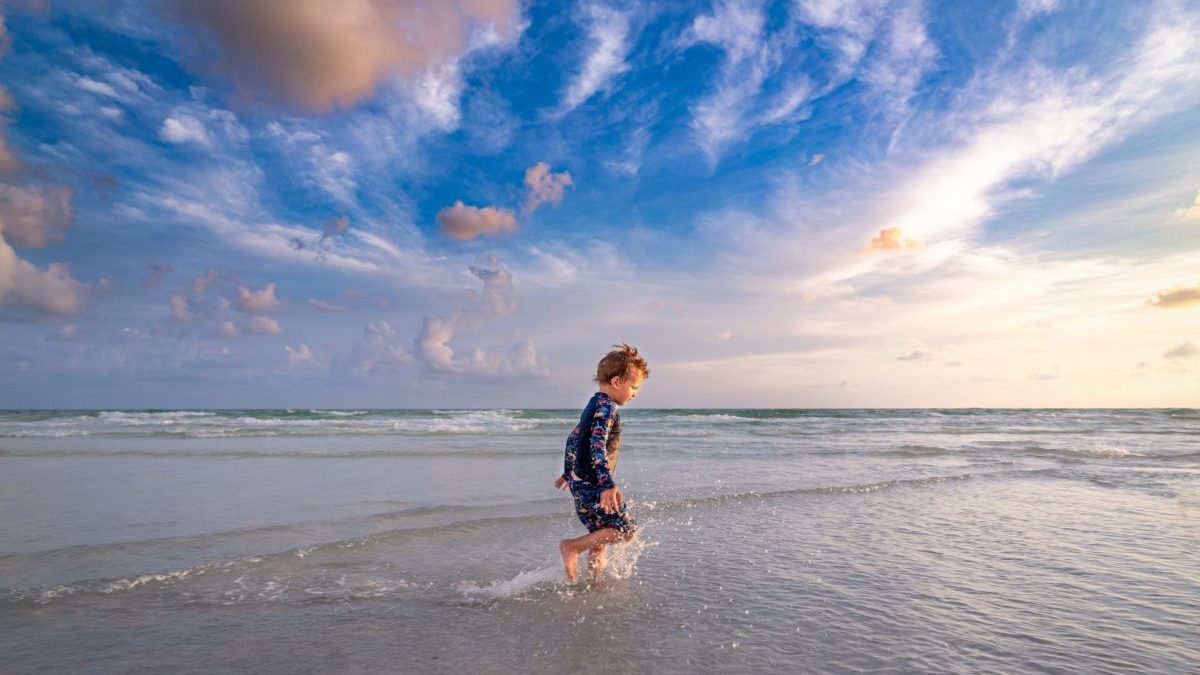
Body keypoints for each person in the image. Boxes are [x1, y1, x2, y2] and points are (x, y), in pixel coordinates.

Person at [555, 343, 649, 583]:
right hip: (595, 484)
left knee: (600, 535)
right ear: (617, 382)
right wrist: (606, 484)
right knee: (626, 531)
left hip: (581, 481)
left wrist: (568, 473)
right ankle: (572, 547)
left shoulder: (593, 404)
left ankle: (593, 583)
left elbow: (574, 437)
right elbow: (596, 445)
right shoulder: (607, 407)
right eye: (634, 386)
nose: (635, 393)